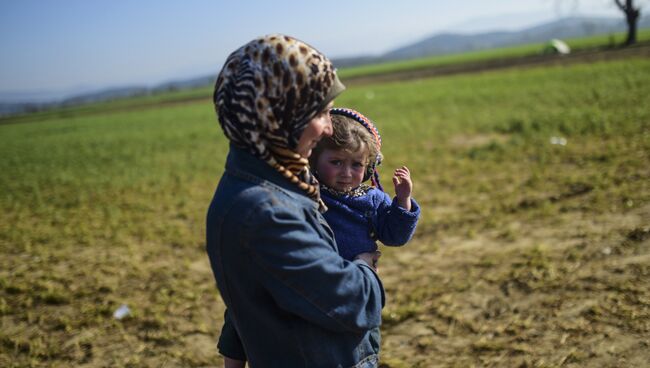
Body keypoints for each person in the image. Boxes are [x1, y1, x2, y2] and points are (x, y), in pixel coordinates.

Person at [206, 34, 385, 368]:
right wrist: (365, 266)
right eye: (321, 113)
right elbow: (352, 304)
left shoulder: (274, 184)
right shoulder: (265, 212)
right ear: (280, 115)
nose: (327, 129)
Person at [310, 107, 420, 263]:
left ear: (369, 167)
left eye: (356, 165)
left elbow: (395, 237)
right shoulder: (307, 193)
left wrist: (403, 200)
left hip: (361, 280)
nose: (346, 173)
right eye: (336, 162)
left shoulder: (372, 199)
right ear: (314, 158)